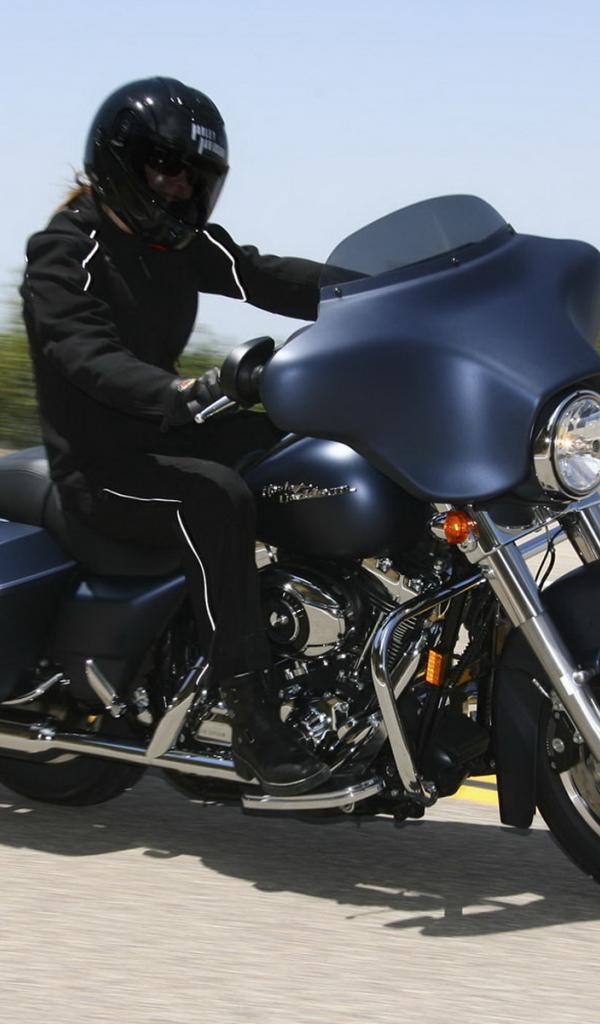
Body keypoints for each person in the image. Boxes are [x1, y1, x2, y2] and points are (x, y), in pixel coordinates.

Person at [21, 76, 331, 796]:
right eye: (166, 168)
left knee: (300, 444)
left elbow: (265, 276)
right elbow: (85, 354)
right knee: (214, 499)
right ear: (120, 161)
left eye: (195, 176)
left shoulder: (180, 244)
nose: (181, 188)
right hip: (102, 468)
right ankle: (252, 719)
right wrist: (180, 393)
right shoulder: (66, 252)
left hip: (164, 440)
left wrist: (388, 291)